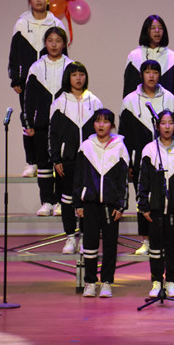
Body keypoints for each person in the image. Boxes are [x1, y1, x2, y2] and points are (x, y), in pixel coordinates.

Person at [119, 59, 174, 255]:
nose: (151, 76)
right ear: (141, 75)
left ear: (159, 75)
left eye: (155, 72)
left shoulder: (169, 98)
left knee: (166, 200)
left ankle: (164, 238)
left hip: (169, 157)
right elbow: (124, 134)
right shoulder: (130, 100)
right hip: (141, 160)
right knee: (144, 198)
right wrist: (130, 162)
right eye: (147, 72)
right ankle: (146, 240)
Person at [9, 0, 67, 177]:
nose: (39, 0)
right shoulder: (21, 24)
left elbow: (65, 54)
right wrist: (16, 78)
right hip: (29, 80)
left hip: (53, 80)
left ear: (48, 0)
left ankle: (53, 160)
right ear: (29, 1)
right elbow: (14, 53)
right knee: (29, 120)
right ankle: (32, 162)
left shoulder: (56, 23)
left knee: (53, 120)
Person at [137, 110, 174, 298]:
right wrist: (143, 205)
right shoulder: (149, 149)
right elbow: (143, 180)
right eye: (163, 123)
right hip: (155, 207)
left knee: (172, 246)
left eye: (170, 123)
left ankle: (171, 282)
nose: (167, 126)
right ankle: (156, 281)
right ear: (157, 126)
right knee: (155, 247)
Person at [48, 61, 103, 254]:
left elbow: (102, 132)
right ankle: (70, 237)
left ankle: (85, 236)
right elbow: (53, 133)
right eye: (74, 75)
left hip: (89, 160)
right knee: (67, 200)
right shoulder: (60, 103)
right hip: (68, 160)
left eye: (82, 74)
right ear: (68, 78)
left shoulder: (94, 101)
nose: (78, 78)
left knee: (87, 200)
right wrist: (56, 158)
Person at [74, 109, 129, 298]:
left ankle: (106, 282)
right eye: (98, 121)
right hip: (89, 204)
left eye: (106, 122)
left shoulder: (120, 147)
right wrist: (78, 203)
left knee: (110, 246)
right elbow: (78, 177)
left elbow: (123, 181)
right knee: (89, 245)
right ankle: (90, 282)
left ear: (112, 126)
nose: (101, 125)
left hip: (111, 206)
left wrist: (121, 205)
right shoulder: (86, 146)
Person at [24, 26, 72, 216]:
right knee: (43, 165)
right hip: (42, 125)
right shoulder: (36, 67)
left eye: (58, 41)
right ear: (45, 43)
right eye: (50, 41)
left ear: (64, 44)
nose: (54, 45)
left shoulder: (71, 66)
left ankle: (59, 202)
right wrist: (29, 122)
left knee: (61, 165)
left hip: (63, 125)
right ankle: (46, 202)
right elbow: (29, 98)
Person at [123, 15, 174, 113]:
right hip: (139, 115)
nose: (157, 31)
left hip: (165, 117)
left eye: (160, 28)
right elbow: (128, 90)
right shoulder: (134, 57)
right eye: (153, 28)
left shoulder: (172, 57)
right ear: (146, 30)